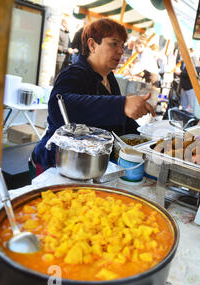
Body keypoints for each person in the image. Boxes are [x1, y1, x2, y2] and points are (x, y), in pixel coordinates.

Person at [31, 18, 155, 174]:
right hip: (58, 164)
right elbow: (59, 108)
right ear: (92, 45)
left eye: (122, 46)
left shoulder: (109, 79)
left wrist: (147, 141)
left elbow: (118, 122)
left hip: (92, 166)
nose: (120, 51)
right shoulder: (74, 74)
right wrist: (121, 105)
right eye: (114, 43)